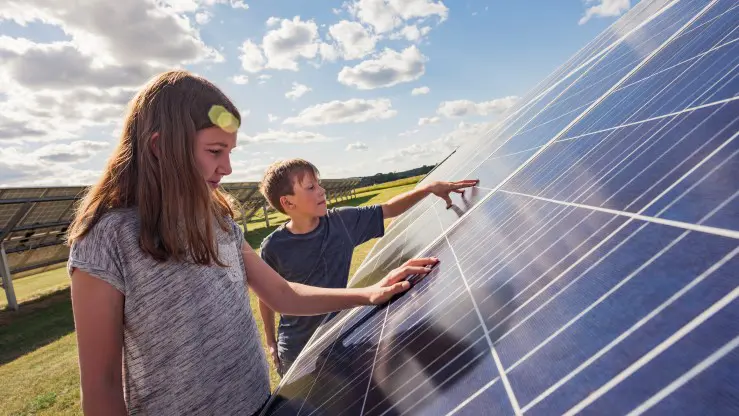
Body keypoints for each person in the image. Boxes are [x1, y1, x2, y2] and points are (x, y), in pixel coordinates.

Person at [66, 69, 438, 416]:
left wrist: (369, 293)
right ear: (161, 146)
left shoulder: (218, 220)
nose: (226, 167)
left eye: (230, 152)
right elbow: (100, 384)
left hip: (261, 405)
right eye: (215, 151)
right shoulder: (105, 239)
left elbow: (282, 294)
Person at [257, 159, 478, 377]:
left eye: (319, 184)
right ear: (288, 203)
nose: (322, 191)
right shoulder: (273, 247)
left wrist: (428, 189)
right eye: (311, 187)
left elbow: (389, 208)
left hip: (337, 339)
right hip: (297, 353)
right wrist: (270, 340)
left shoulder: (342, 222)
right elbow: (266, 295)